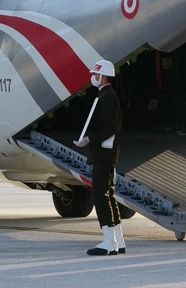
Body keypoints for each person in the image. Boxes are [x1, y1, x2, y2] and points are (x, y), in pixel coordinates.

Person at [74, 59, 125, 256]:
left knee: (100, 195)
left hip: (104, 152)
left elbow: (112, 127)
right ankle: (117, 241)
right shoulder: (106, 95)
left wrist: (89, 139)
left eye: (95, 75)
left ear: (102, 76)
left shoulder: (106, 97)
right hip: (106, 151)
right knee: (107, 195)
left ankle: (108, 242)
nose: (92, 78)